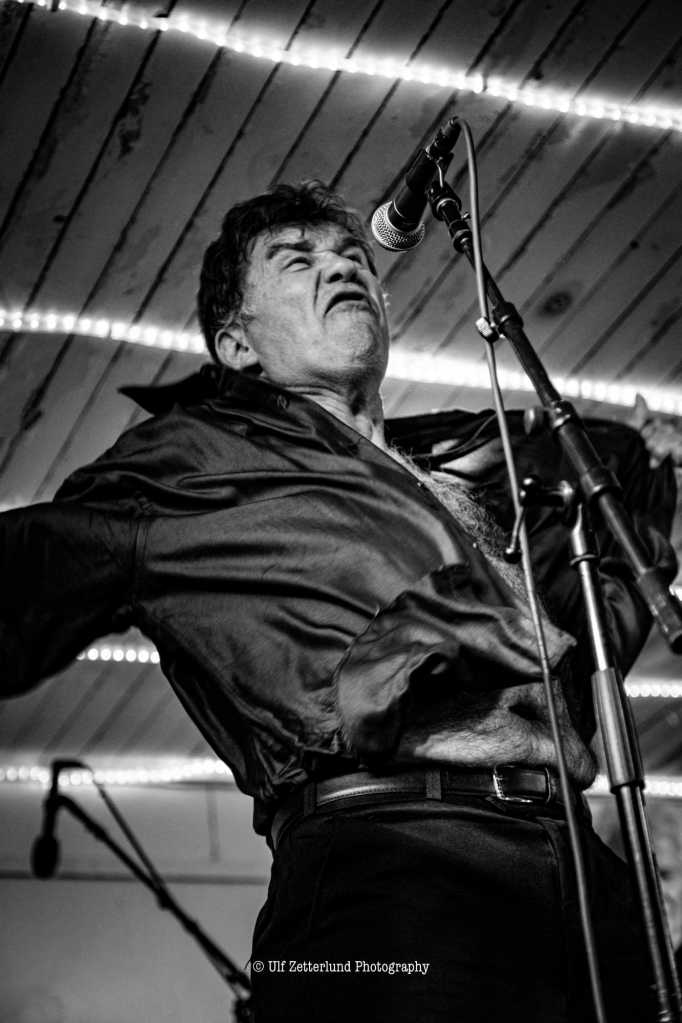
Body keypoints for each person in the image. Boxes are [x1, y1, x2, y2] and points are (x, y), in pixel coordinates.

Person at [0, 181, 678, 1022]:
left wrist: (649, 476)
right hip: (389, 862)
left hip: (578, 865)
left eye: (353, 255)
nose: (342, 267)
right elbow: (34, 564)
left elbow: (584, 615)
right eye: (298, 260)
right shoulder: (188, 464)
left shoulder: (463, 481)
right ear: (237, 343)